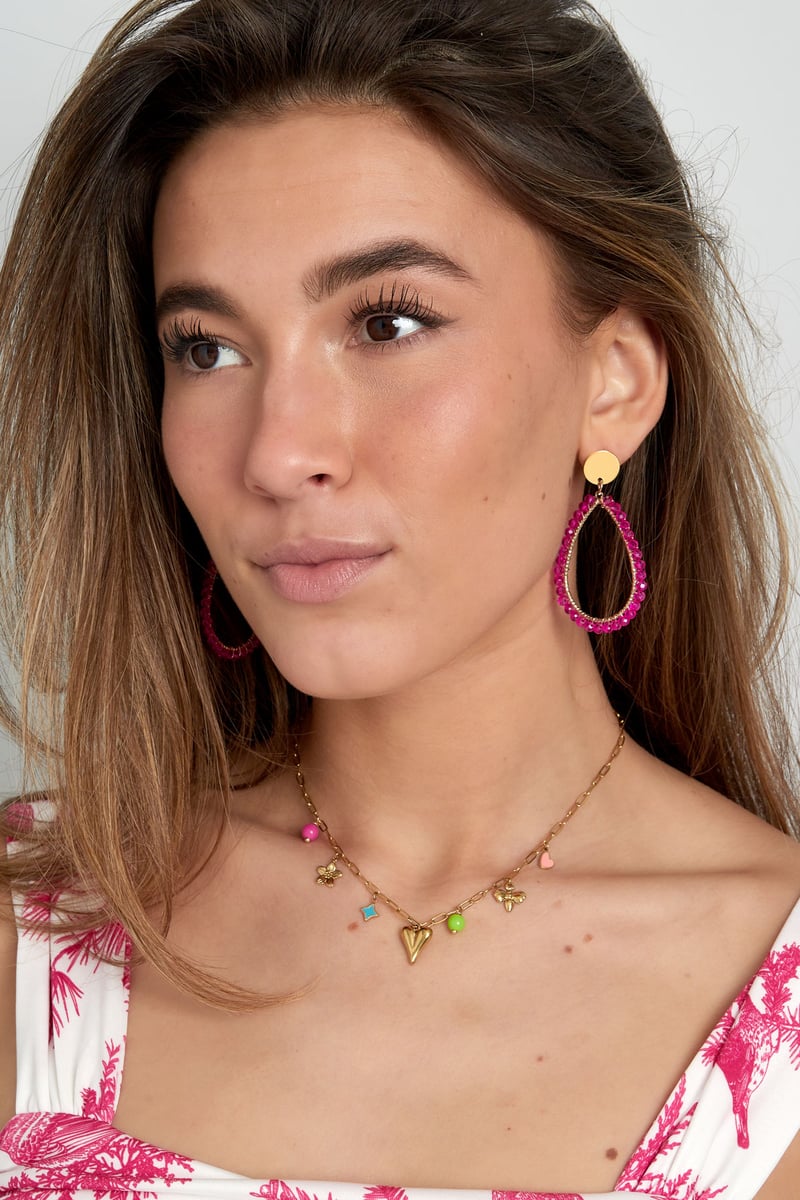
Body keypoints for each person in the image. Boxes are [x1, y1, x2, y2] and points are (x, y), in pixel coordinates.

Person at [0, 0, 798, 1196]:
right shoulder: (37, 922)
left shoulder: (771, 1008)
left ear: (615, 383)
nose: (277, 454)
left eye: (386, 322)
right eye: (206, 348)